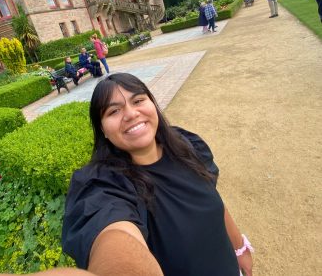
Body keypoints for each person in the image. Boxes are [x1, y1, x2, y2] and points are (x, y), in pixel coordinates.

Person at [62, 73, 254, 276]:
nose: (130, 114)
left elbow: (213, 200)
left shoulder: (185, 145)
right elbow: (112, 233)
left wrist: (240, 247)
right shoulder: (104, 185)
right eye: (114, 111)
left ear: (152, 104)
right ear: (103, 130)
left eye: (138, 100)